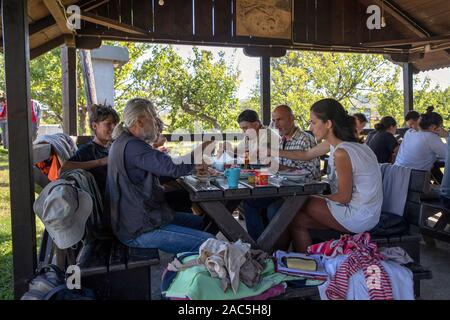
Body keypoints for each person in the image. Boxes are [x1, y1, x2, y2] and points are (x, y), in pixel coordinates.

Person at [106, 98, 214, 254]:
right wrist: (202, 147)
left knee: (203, 223)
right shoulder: (132, 146)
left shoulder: (126, 142)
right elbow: (172, 167)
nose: (157, 122)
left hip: (140, 219)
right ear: (140, 122)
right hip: (138, 229)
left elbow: (161, 170)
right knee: (210, 242)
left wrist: (193, 168)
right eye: (153, 117)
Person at [286, 98, 382, 253]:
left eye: (313, 122)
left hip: (359, 216)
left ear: (328, 124)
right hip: (366, 212)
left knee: (298, 201)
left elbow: (344, 197)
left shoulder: (342, 152)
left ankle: (278, 257)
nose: (310, 127)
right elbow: (306, 154)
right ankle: (308, 266)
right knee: (297, 220)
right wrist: (271, 152)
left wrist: (316, 197)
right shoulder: (348, 145)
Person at [242, 105, 320, 241]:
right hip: (282, 190)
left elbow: (312, 175)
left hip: (299, 194)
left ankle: (271, 247)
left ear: (292, 119)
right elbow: (279, 168)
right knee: (250, 202)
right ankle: (258, 245)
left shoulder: (305, 139)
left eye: (280, 120)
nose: (276, 124)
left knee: (274, 210)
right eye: (274, 120)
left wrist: (278, 167)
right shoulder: (279, 139)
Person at [61, 104, 120, 202]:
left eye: (115, 123)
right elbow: (65, 168)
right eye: (108, 124)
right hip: (100, 206)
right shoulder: (88, 150)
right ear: (94, 126)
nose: (113, 127)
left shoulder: (112, 147)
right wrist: (100, 162)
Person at [395, 107, 448, 181]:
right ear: (433, 127)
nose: (442, 128)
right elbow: (447, 154)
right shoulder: (430, 137)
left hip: (396, 175)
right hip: (411, 180)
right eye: (441, 126)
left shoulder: (409, 132)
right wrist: (447, 136)